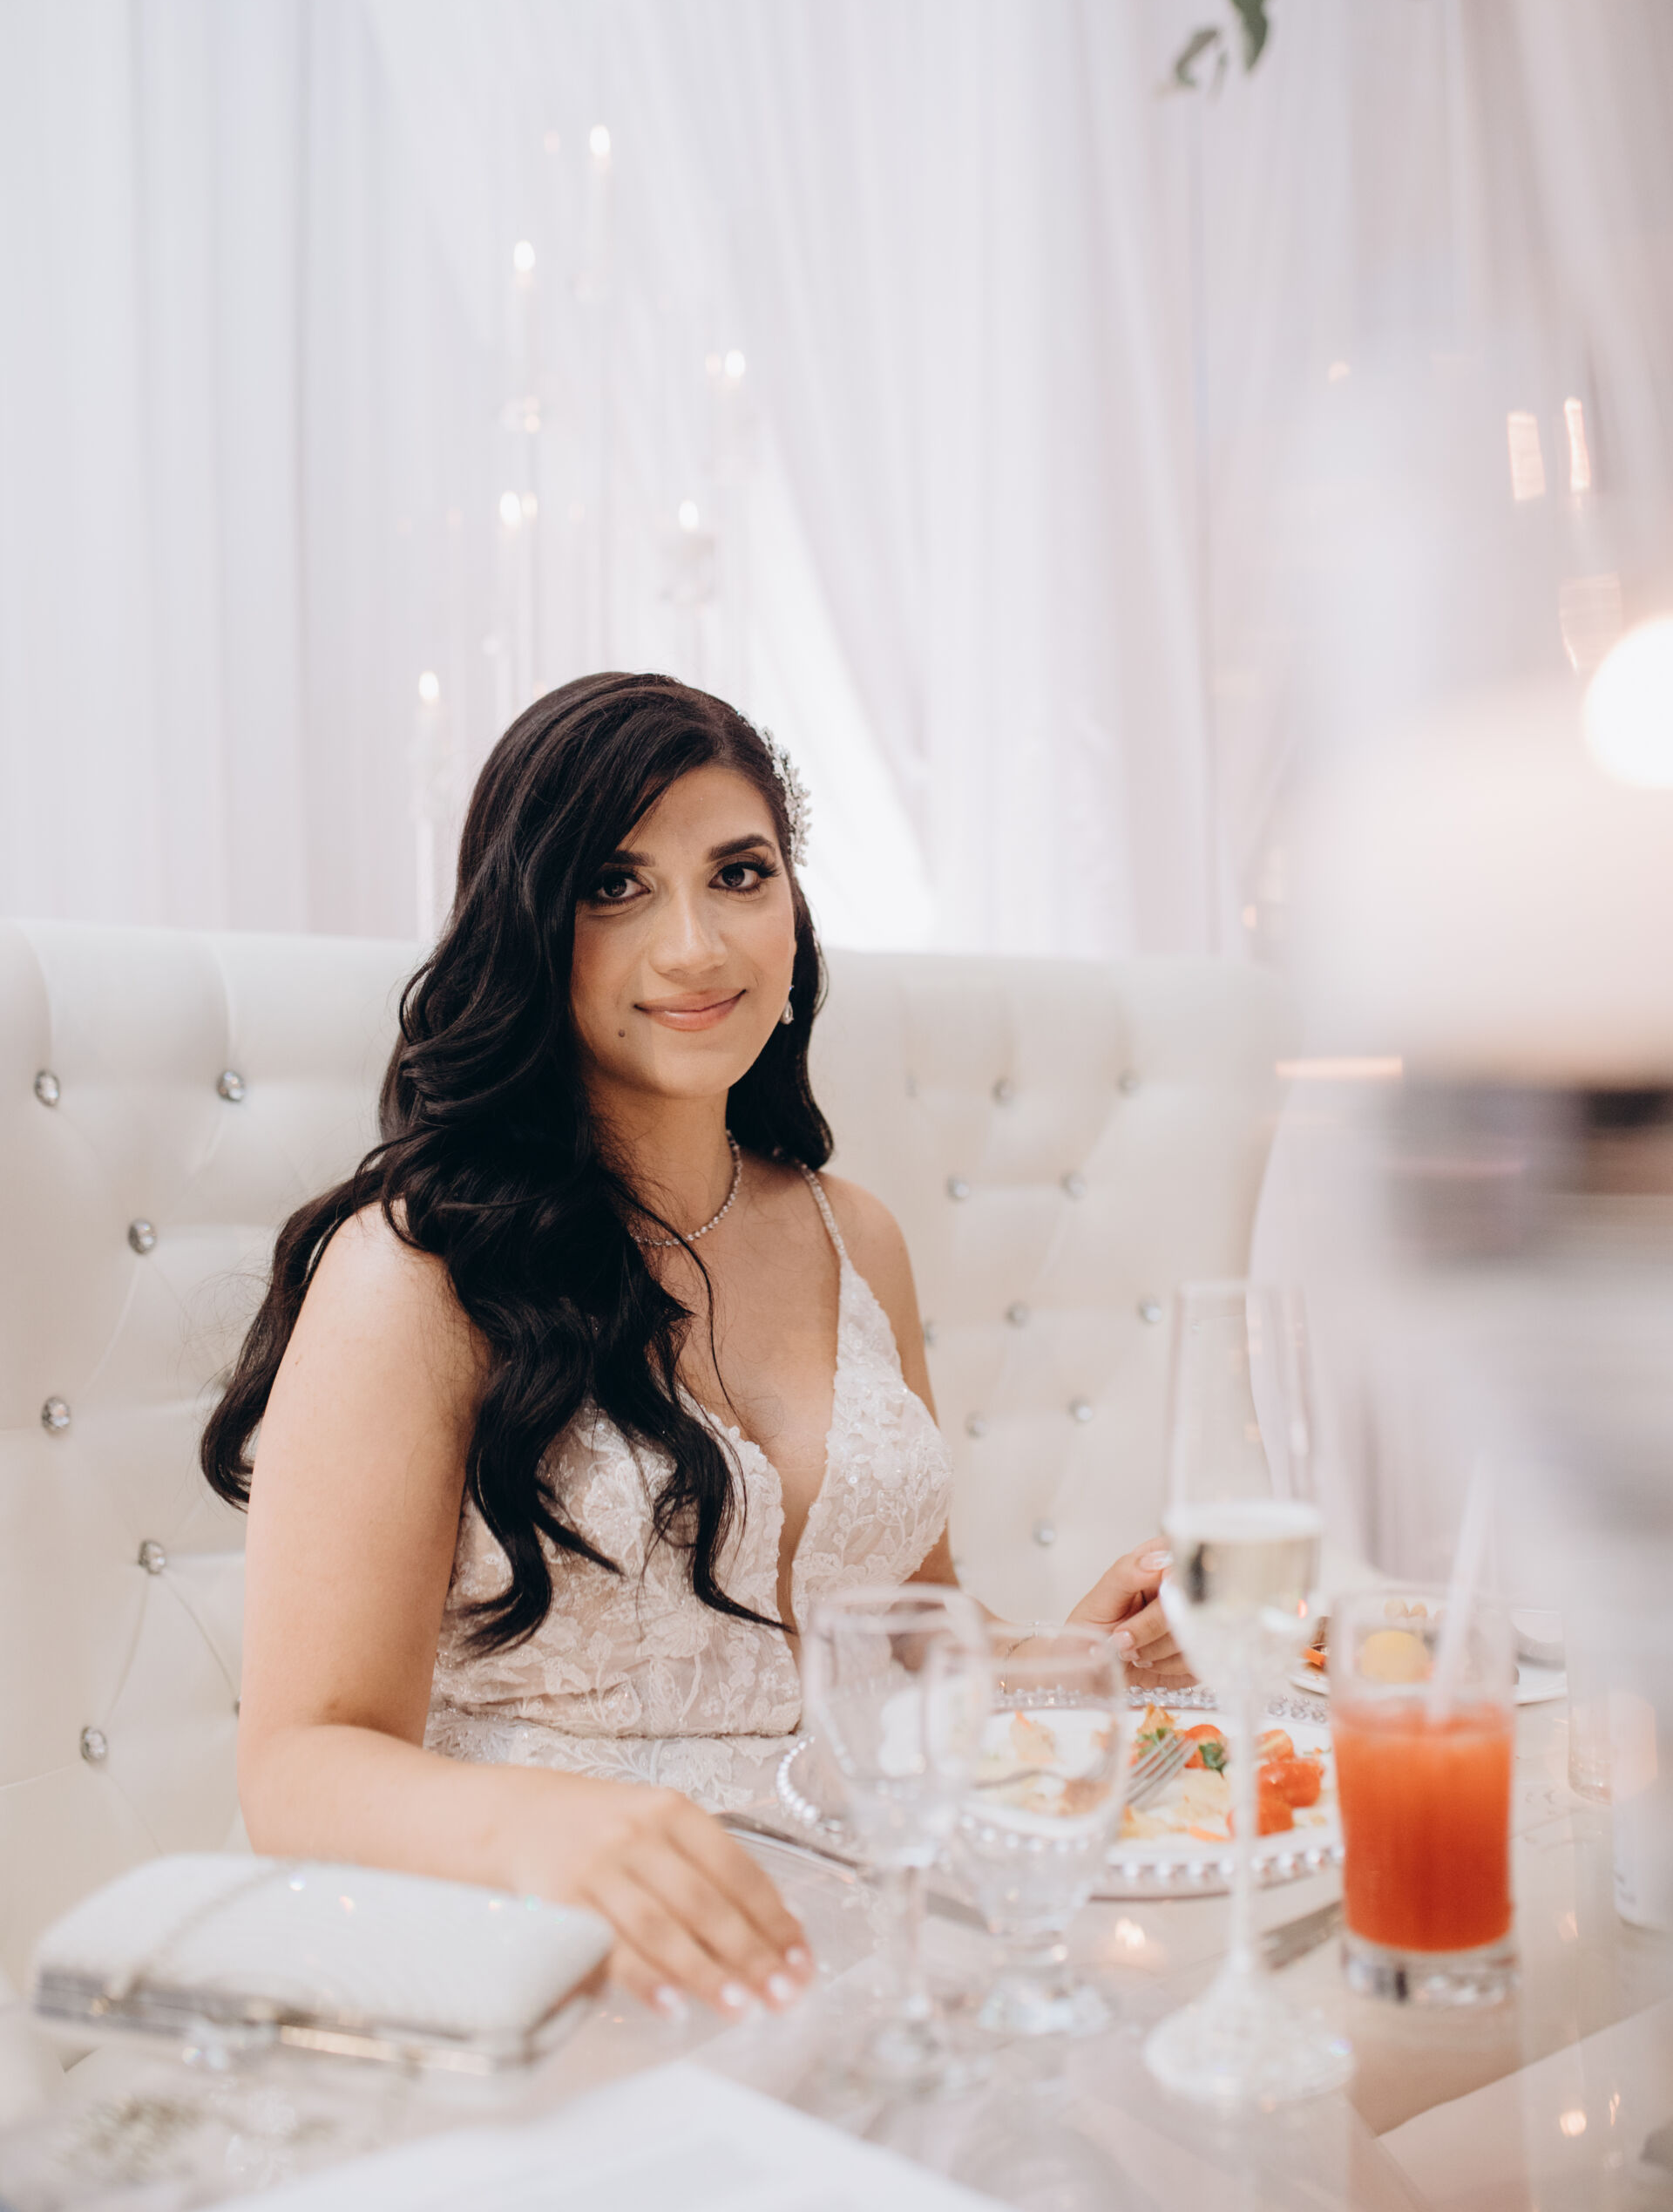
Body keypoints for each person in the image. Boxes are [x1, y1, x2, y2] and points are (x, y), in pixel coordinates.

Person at [205, 673, 1188, 2025]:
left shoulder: (855, 1234)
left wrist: (1072, 1658)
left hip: (851, 1929)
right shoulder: (416, 1274)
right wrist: (544, 1828)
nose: (696, 946)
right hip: (535, 1957)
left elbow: (897, 1626)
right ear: (528, 926)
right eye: (616, 886)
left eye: (739, 875)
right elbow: (298, 1767)